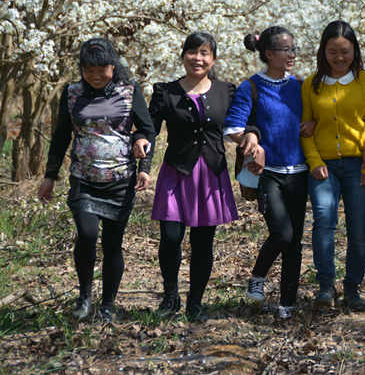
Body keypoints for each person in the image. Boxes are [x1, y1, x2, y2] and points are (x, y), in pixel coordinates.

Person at [38, 38, 154, 323]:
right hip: (84, 178)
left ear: (113, 66)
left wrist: (144, 163)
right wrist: (50, 176)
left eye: (102, 69)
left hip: (120, 180)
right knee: (87, 235)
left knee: (113, 244)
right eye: (89, 70)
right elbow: (61, 136)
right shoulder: (72, 93)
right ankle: (85, 296)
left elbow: (147, 129)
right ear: (81, 69)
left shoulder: (129, 91)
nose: (96, 75)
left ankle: (108, 304)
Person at [147, 32, 243, 321]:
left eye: (204, 53)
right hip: (176, 171)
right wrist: (142, 161)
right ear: (183, 56)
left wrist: (252, 137)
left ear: (213, 59)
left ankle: (196, 302)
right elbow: (149, 131)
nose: (197, 58)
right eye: (192, 52)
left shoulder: (227, 91)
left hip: (210, 174)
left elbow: (243, 123)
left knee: (203, 242)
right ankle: (170, 296)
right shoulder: (165, 92)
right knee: (170, 237)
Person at [224, 26, 310, 321]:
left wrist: (312, 124)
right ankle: (258, 276)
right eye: (286, 50)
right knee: (282, 233)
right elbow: (233, 128)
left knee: (294, 242)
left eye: (294, 48)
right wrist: (252, 140)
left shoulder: (300, 86)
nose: (292, 54)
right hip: (267, 173)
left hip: (299, 172)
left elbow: (313, 117)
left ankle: (288, 303)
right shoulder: (251, 87)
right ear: (269, 54)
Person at [301, 20, 365, 310]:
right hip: (323, 165)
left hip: (357, 165)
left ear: (355, 51)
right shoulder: (311, 84)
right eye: (332, 51)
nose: (339, 57)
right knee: (323, 222)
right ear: (323, 52)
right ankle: (326, 286)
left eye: (345, 51)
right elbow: (305, 127)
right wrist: (314, 161)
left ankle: (353, 288)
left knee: (358, 227)